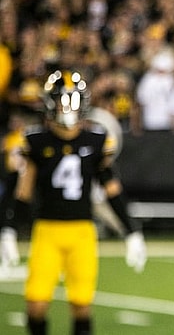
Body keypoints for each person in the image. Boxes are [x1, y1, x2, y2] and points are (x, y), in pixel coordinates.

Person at [0, 70, 147, 335]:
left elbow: (112, 190)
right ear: (49, 103)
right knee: (36, 303)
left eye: (74, 101)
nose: (68, 108)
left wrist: (132, 231)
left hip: (81, 232)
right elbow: (22, 191)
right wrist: (9, 230)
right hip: (47, 230)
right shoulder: (36, 140)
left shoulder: (96, 140)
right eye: (62, 101)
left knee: (81, 304)